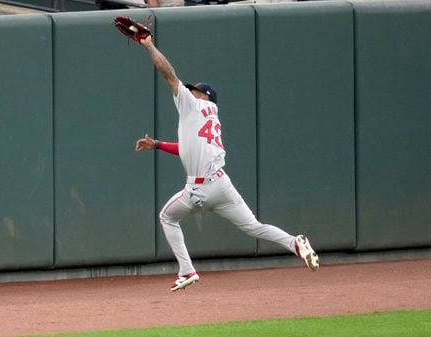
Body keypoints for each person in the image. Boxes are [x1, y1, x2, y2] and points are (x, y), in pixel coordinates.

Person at [134, 34, 319, 292]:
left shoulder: (192, 106)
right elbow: (188, 149)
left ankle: (187, 270)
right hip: (221, 184)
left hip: (198, 188)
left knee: (166, 217)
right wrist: (157, 145)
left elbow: (166, 72)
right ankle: (295, 243)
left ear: (205, 96)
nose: (189, 91)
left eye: (195, 90)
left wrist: (148, 45)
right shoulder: (211, 116)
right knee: (254, 226)